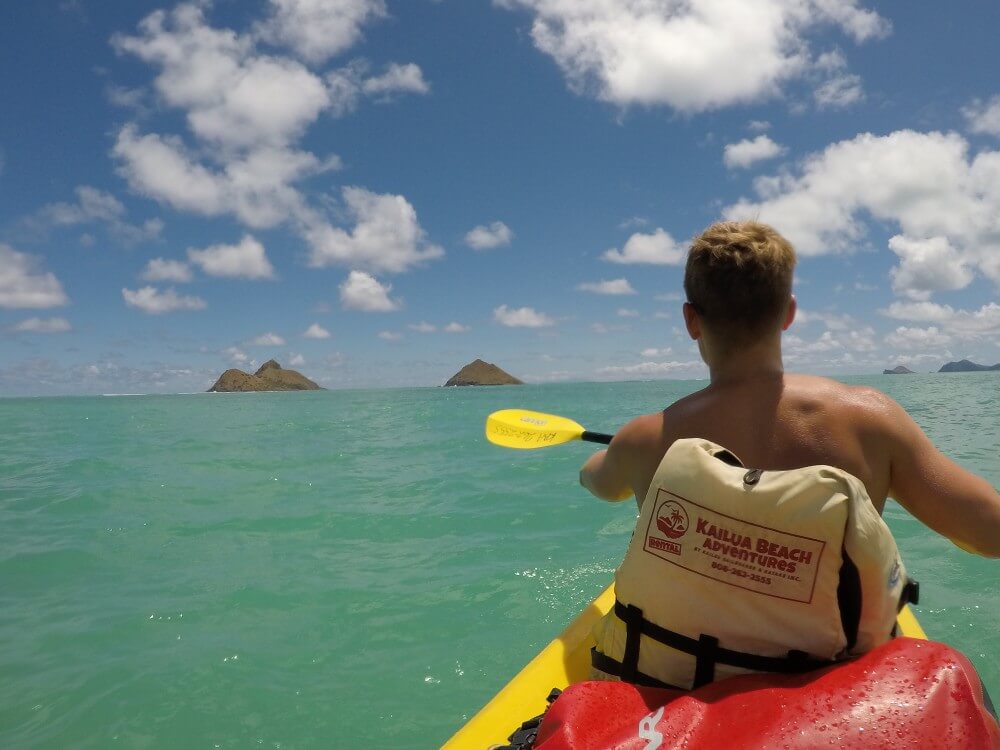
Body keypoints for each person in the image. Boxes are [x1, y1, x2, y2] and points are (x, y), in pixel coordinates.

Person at [578, 220, 1000, 689]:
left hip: (685, 694)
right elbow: (989, 532)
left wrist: (616, 452)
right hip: (832, 704)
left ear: (690, 319)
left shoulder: (645, 439)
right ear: (788, 313)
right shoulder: (869, 420)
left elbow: (597, 481)